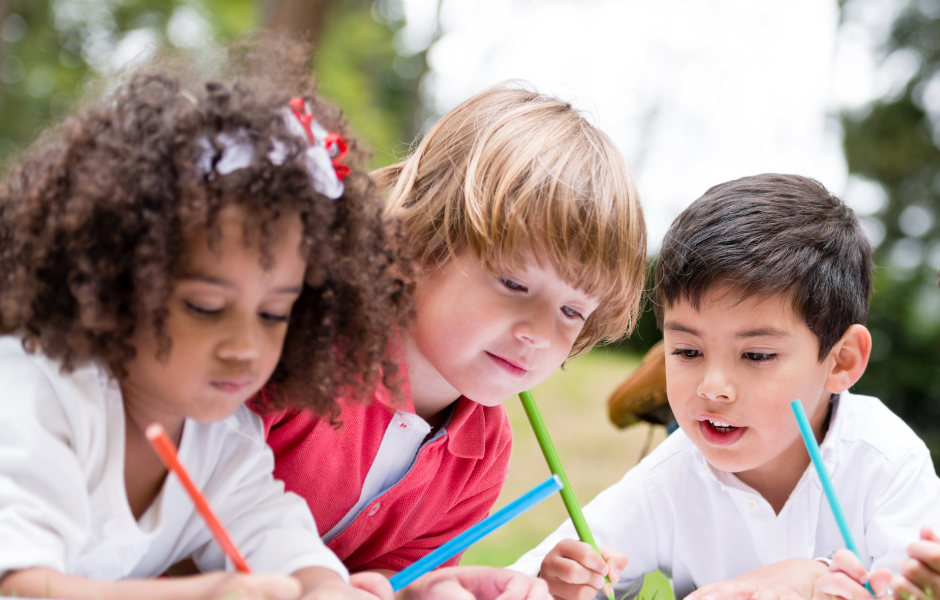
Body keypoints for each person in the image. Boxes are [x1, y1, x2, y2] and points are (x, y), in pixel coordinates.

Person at [0, 40, 410, 600]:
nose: (245, 345)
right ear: (113, 280)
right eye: (206, 307)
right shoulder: (35, 396)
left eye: (273, 313)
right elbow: (21, 586)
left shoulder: (222, 439)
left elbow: (282, 542)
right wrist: (207, 593)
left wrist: (323, 588)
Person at [257, 84, 648, 596]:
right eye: (514, 283)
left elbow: (392, 583)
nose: (537, 334)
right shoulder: (297, 349)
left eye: (572, 311)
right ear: (417, 243)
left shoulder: (483, 452)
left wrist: (433, 590)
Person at [509, 174, 940, 600]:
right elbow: (532, 578)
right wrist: (558, 585)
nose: (713, 389)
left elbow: (916, 585)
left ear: (841, 360)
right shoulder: (671, 475)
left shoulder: (886, 461)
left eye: (756, 355)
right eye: (687, 352)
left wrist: (813, 576)